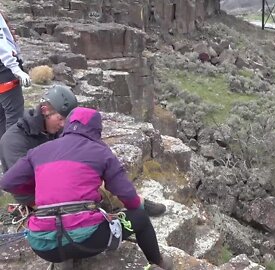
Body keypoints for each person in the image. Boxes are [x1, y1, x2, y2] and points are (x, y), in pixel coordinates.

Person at [0, 107, 173, 270]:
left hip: (44, 247)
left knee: (67, 229)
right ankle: (158, 262)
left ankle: (67, 257)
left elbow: (8, 182)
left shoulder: (39, 151)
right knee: (140, 218)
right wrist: (136, 204)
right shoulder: (100, 151)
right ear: (96, 130)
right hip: (88, 241)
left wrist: (39, 194)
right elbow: (127, 195)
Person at [0, 85, 166, 216]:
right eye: (60, 119)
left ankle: (137, 203)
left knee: (102, 179)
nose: (63, 125)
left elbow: (83, 147)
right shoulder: (13, 141)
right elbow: (16, 182)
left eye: (67, 120)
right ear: (44, 111)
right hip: (42, 196)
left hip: (66, 181)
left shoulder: (57, 130)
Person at [0, 11, 31, 138]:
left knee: (1, 117)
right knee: (14, 117)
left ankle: (3, 154)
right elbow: (1, 43)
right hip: (5, 70)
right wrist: (16, 68)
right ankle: (11, 154)